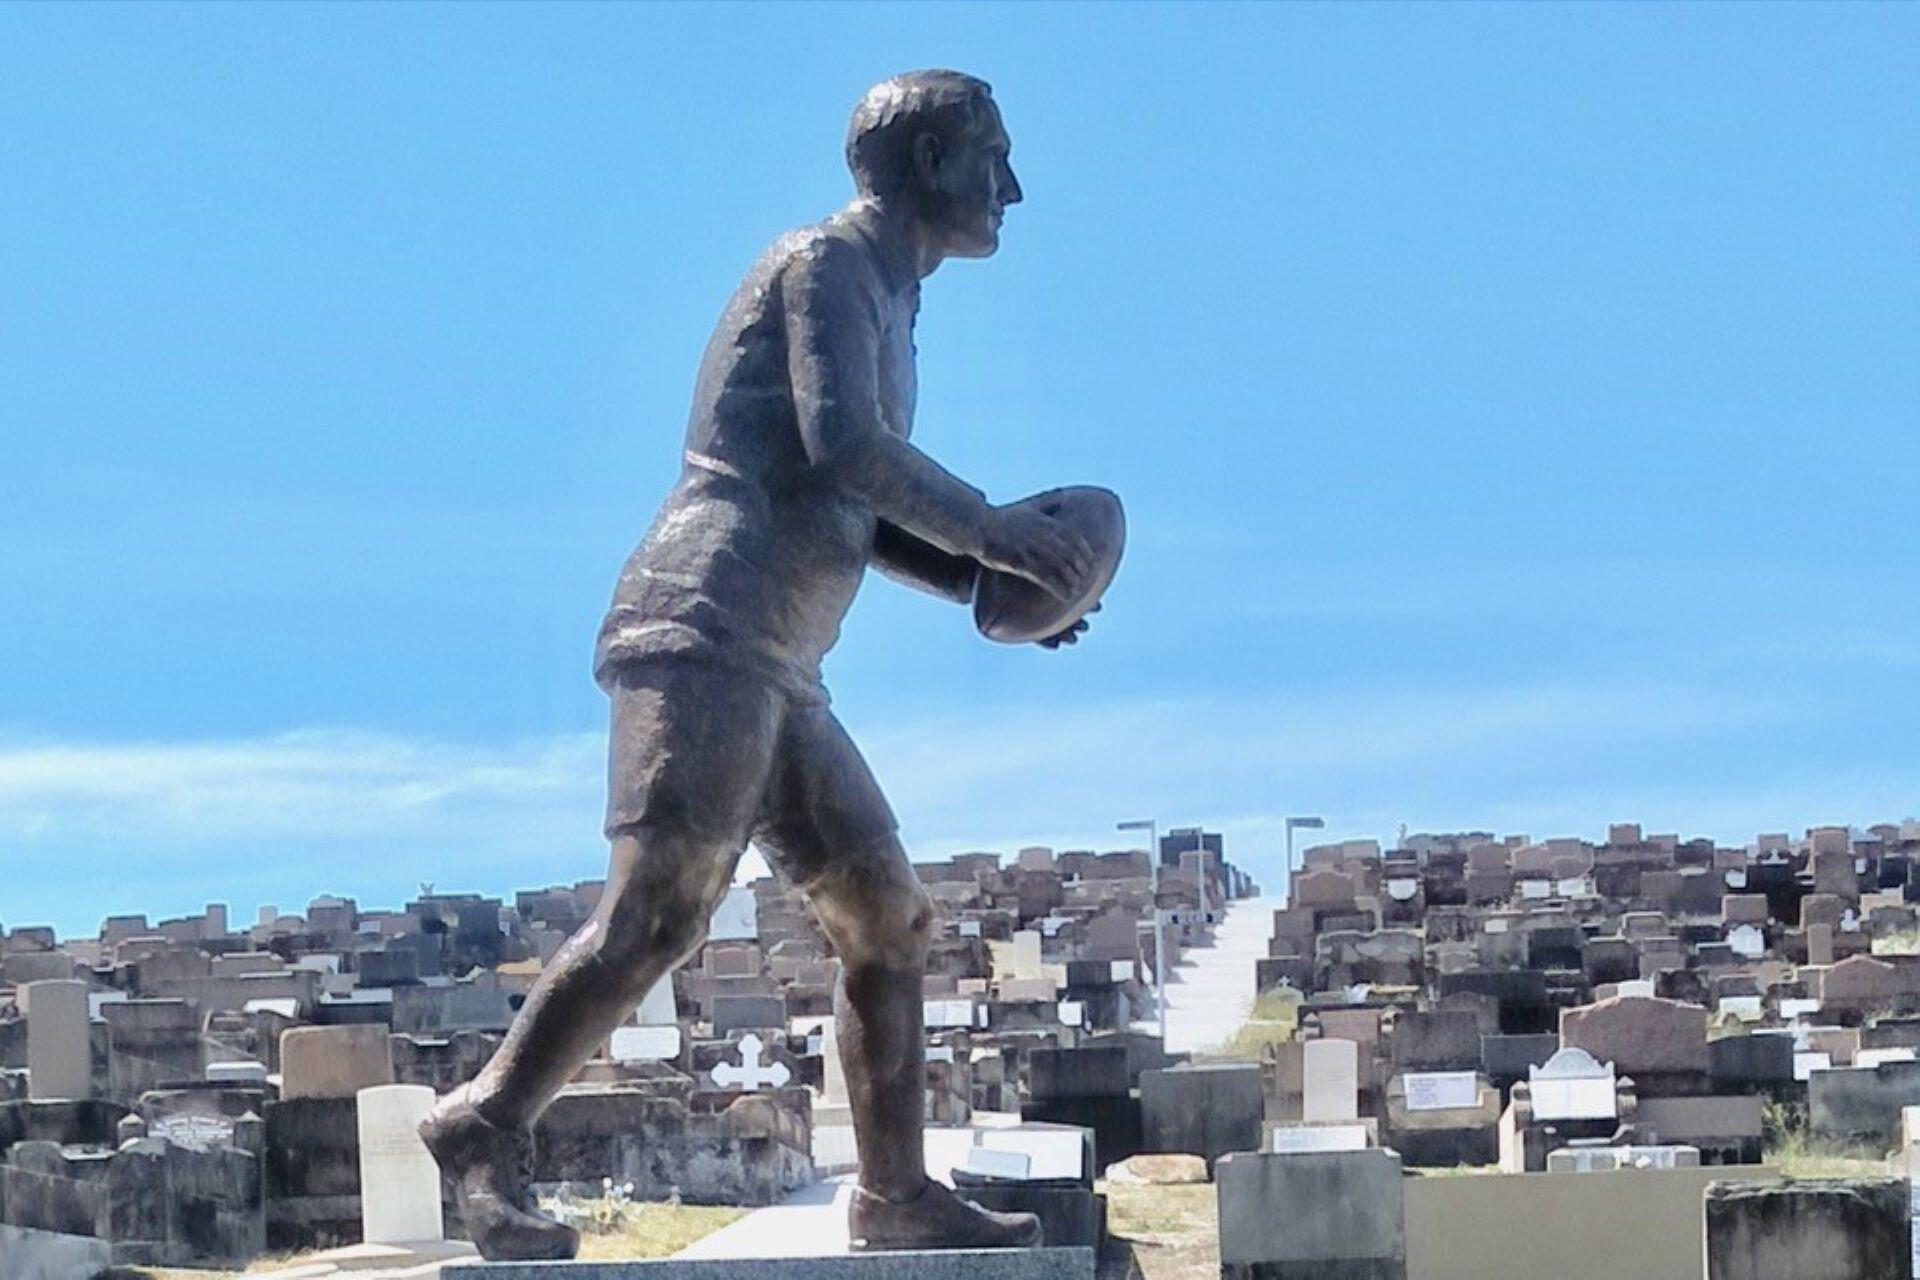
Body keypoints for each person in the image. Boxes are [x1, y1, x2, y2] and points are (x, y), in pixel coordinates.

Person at [420, 69, 1097, 1260]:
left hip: (782, 660)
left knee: (886, 916)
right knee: (659, 910)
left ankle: (894, 1192)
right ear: (930, 160)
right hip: (703, 626)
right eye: (994, 154)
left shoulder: (890, 298)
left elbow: (854, 509)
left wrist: (992, 586)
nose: (1014, 186)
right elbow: (846, 447)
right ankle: (483, 1119)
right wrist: (995, 531)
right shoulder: (825, 264)